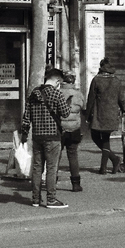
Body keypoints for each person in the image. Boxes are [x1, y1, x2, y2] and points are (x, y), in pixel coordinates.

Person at [21, 67, 71, 208]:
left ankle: (35, 199)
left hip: (37, 136)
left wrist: (24, 133)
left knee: (37, 168)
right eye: (59, 83)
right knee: (51, 168)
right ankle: (51, 199)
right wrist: (68, 103)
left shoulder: (34, 93)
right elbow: (66, 113)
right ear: (57, 81)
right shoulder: (56, 94)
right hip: (53, 136)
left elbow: (26, 117)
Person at [86, 58, 125, 174]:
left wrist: (88, 116)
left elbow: (91, 99)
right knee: (105, 138)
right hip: (112, 114)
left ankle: (104, 167)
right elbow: (121, 98)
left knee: (96, 137)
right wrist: (124, 109)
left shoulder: (97, 80)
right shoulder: (116, 80)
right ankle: (113, 159)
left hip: (99, 113)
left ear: (101, 67)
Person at [60, 71, 85, 192]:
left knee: (55, 157)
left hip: (59, 128)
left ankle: (51, 182)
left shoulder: (57, 93)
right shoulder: (78, 94)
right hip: (74, 128)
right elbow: (82, 106)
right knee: (73, 155)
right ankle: (76, 184)